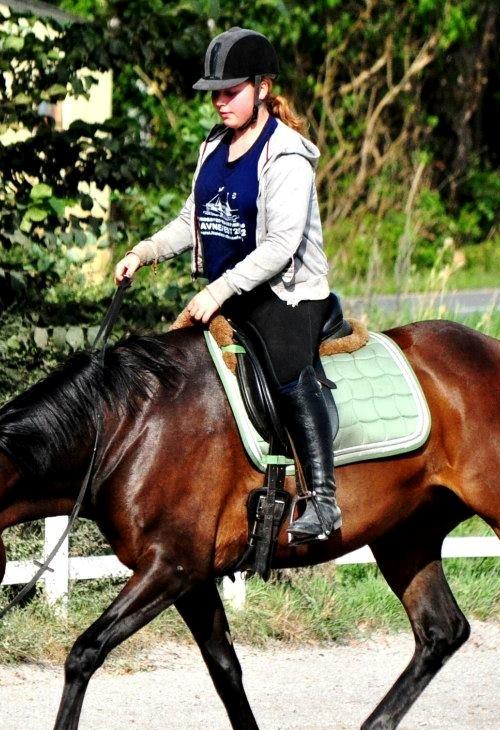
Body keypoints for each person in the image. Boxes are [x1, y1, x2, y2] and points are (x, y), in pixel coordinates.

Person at [114, 26, 341, 544]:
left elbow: (281, 246)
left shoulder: (286, 155)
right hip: (236, 291)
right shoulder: (214, 147)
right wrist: (143, 252)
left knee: (287, 368)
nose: (220, 102)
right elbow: (191, 221)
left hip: (287, 294)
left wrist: (217, 291)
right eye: (214, 93)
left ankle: (323, 499)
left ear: (262, 88)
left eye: (231, 91)